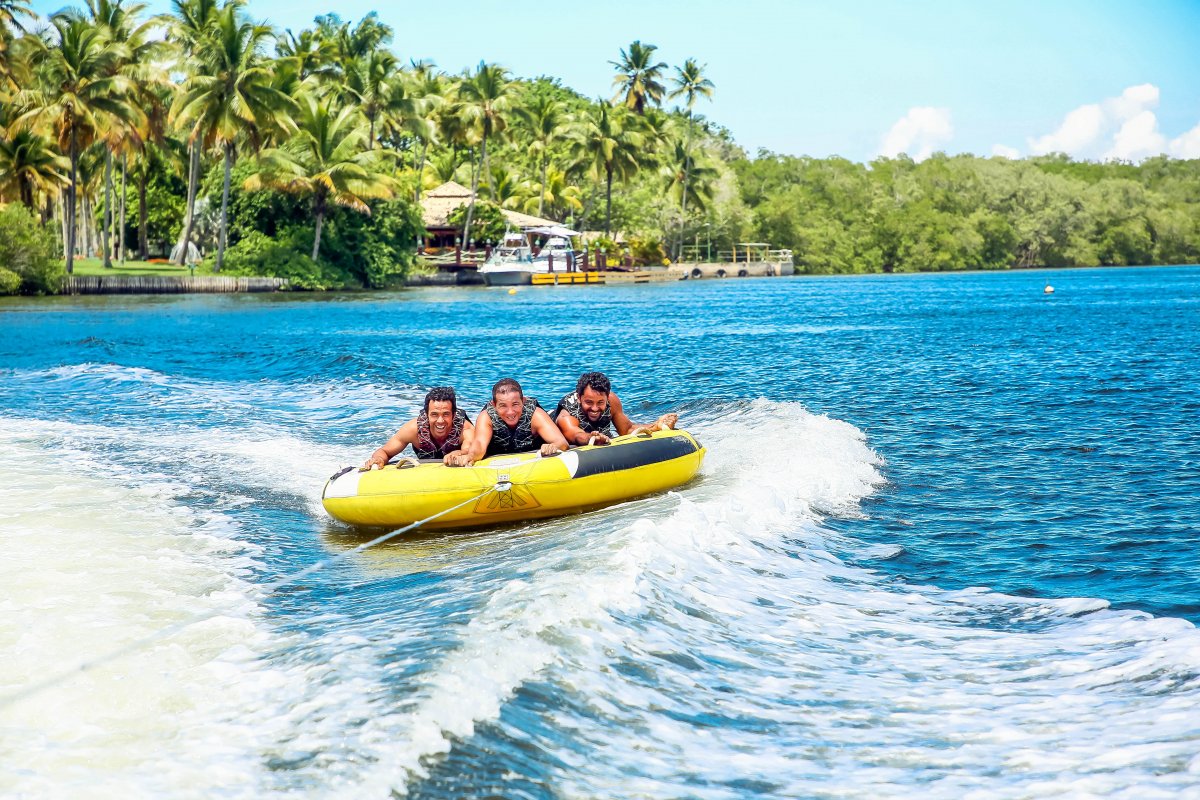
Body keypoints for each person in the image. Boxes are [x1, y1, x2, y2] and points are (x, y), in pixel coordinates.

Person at [460, 377, 570, 464]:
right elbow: (479, 443)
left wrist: (553, 446)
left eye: (515, 404)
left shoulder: (535, 414)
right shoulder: (486, 417)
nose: (510, 412)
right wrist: (471, 456)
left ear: (523, 401)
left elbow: (562, 442)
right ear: (494, 405)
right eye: (503, 406)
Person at [553, 371, 679, 446]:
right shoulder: (567, 412)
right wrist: (591, 438)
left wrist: (657, 425)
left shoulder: (612, 401)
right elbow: (575, 434)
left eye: (600, 402)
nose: (595, 408)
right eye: (589, 402)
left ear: (607, 398)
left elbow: (627, 429)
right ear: (580, 398)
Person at [361, 386, 475, 469]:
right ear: (426, 415)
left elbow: (470, 449)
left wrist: (459, 453)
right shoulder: (413, 429)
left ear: (453, 415)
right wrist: (378, 459)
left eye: (446, 414)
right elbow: (384, 451)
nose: (440, 421)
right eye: (434, 414)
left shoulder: (465, 429)